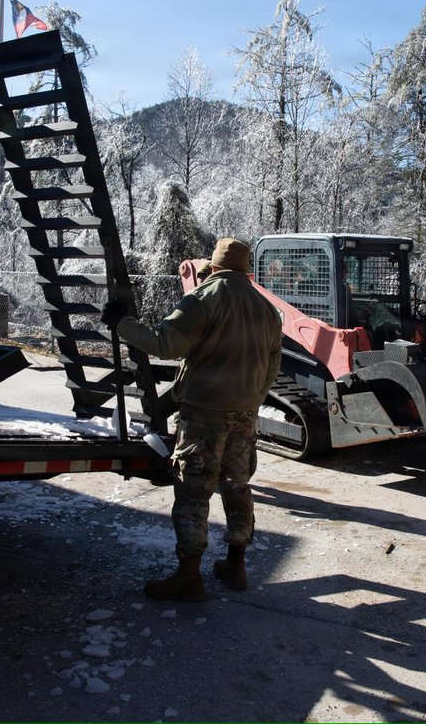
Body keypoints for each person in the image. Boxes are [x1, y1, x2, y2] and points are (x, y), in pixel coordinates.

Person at [101, 238, 282, 602]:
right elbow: (272, 368)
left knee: (194, 491)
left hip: (204, 416)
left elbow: (166, 344)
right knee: (237, 486)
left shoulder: (203, 298)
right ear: (246, 269)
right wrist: (249, 401)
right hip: (245, 415)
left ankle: (188, 576)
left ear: (214, 267)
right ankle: (236, 565)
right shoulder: (267, 309)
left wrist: (122, 324)